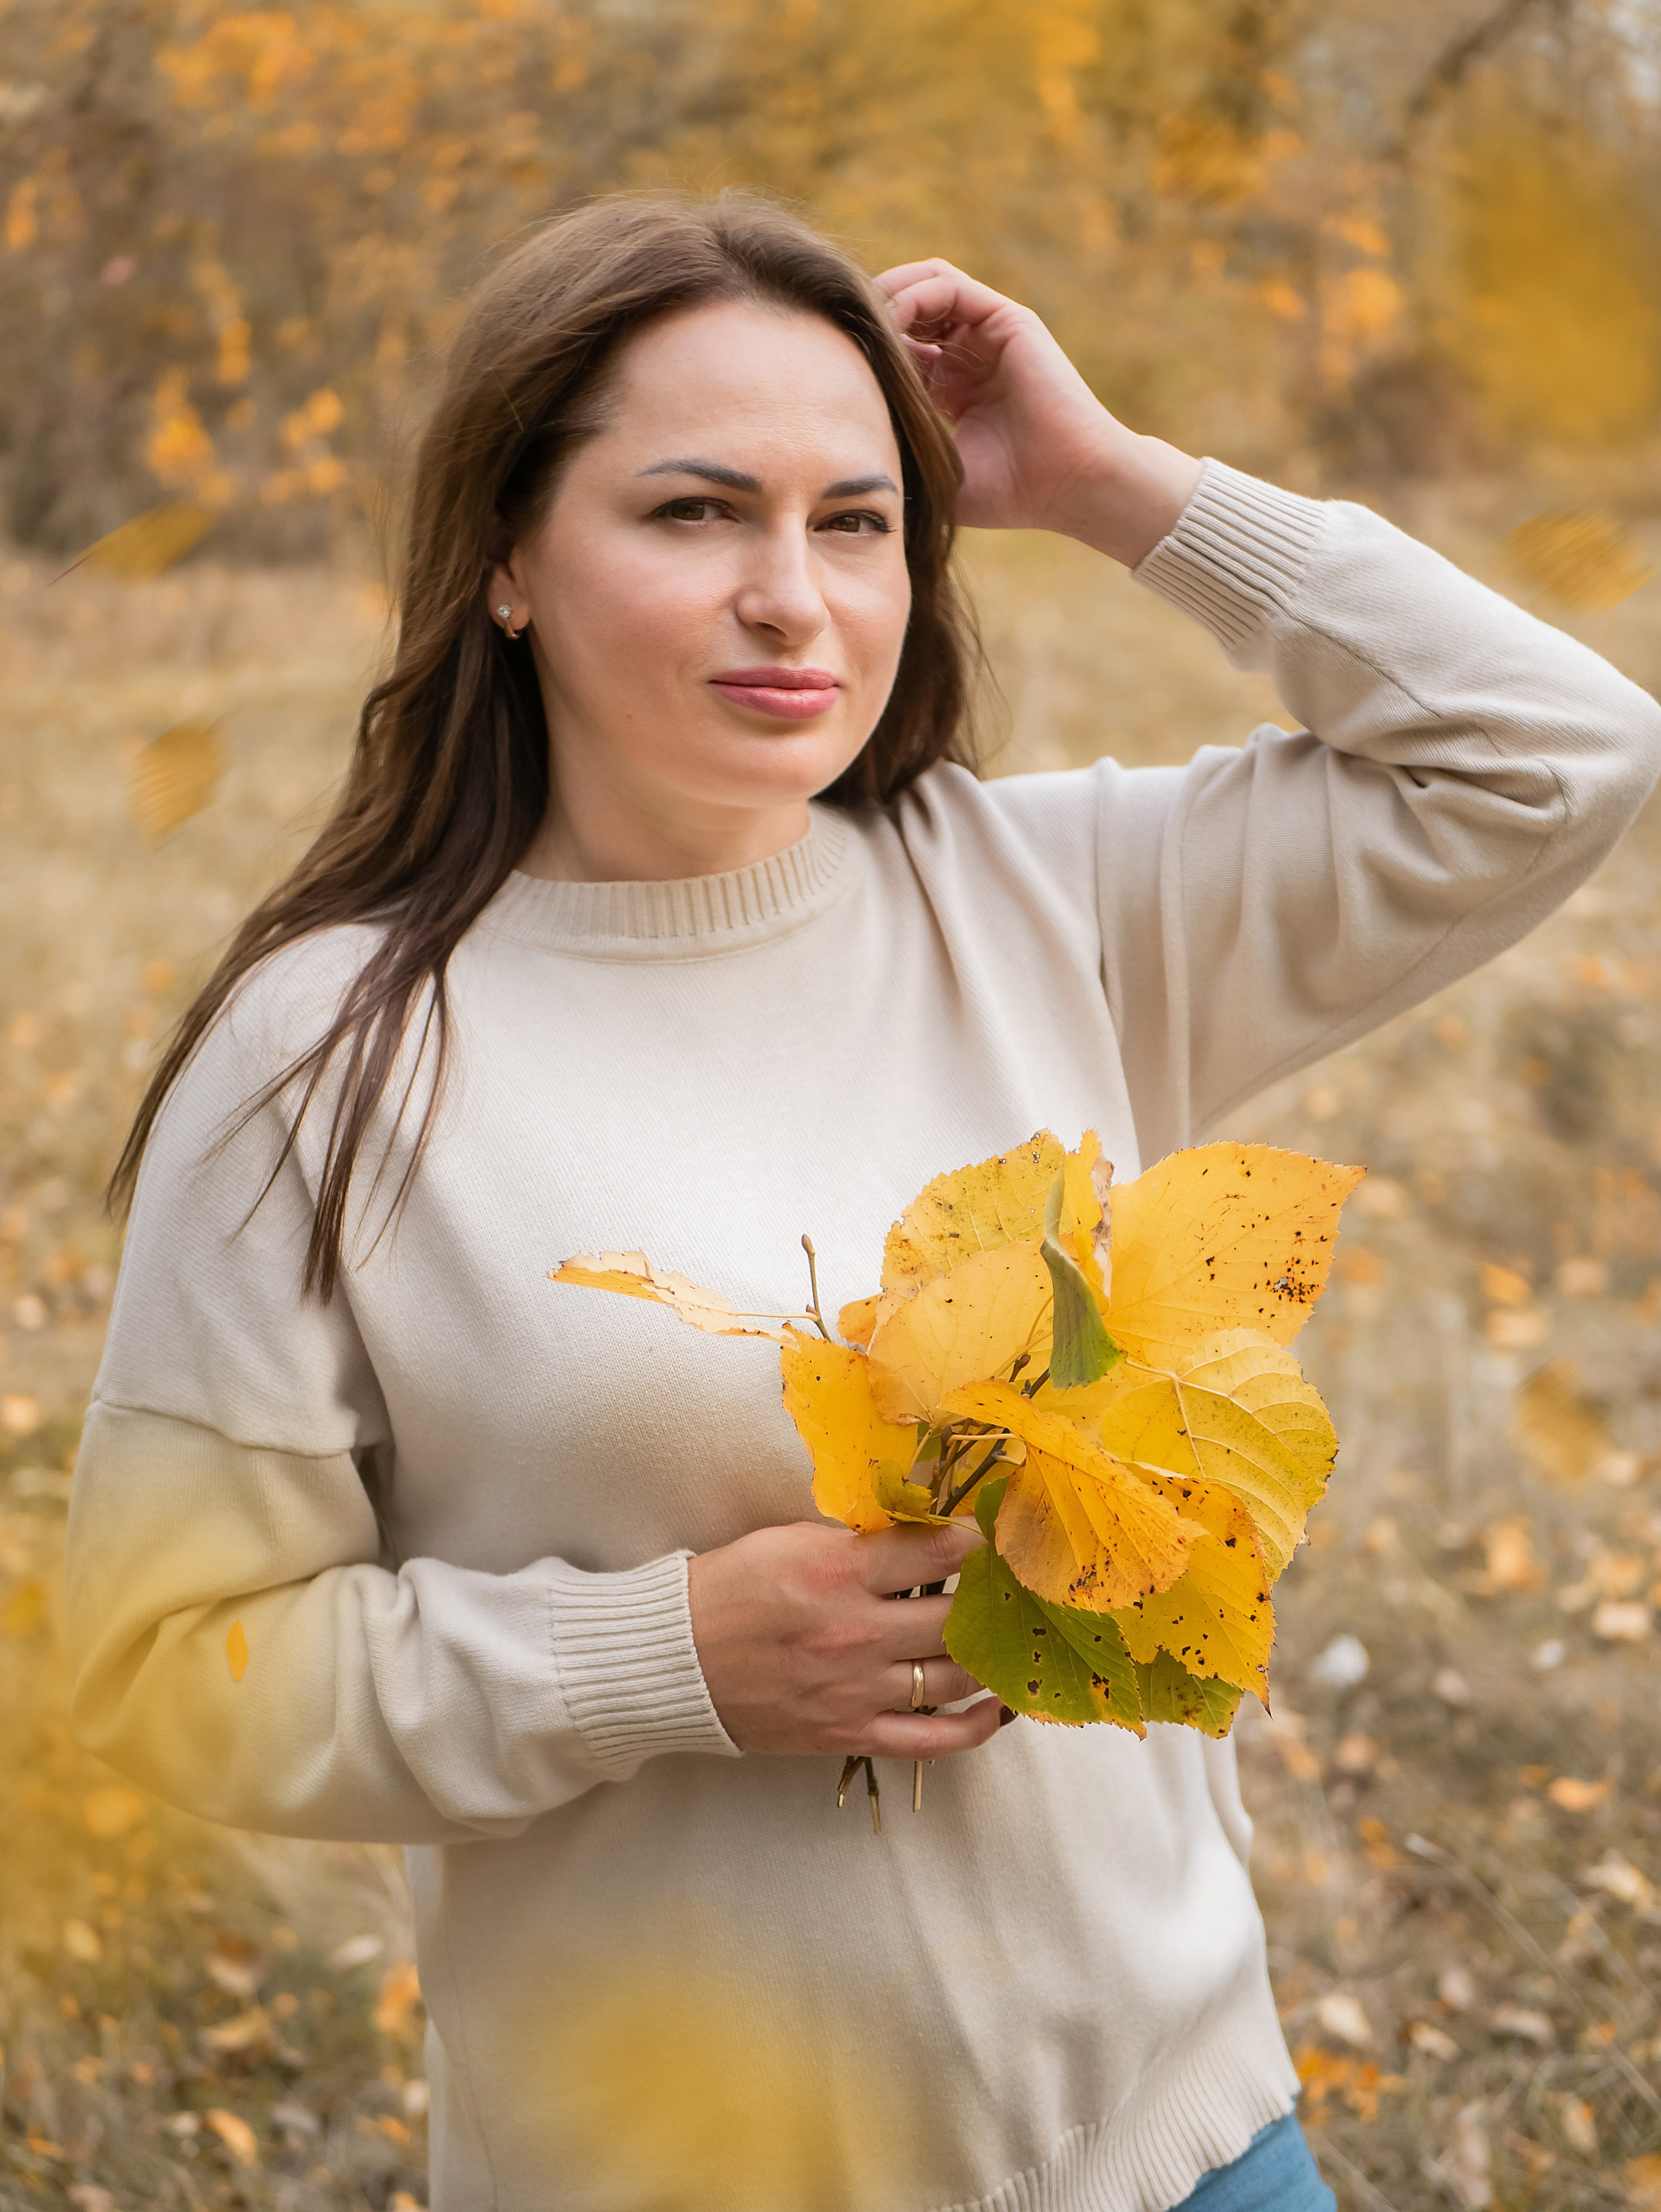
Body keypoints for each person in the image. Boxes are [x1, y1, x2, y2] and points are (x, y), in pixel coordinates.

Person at [66, 193, 1660, 2212]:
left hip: (1191, 2154)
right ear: (504, 561)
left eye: (855, 520)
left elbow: (1554, 754)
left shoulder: (1040, 898)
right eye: (695, 513)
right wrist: (663, 1659)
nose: (793, 598)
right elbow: (152, 1668)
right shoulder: (329, 1063)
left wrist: (1110, 483)